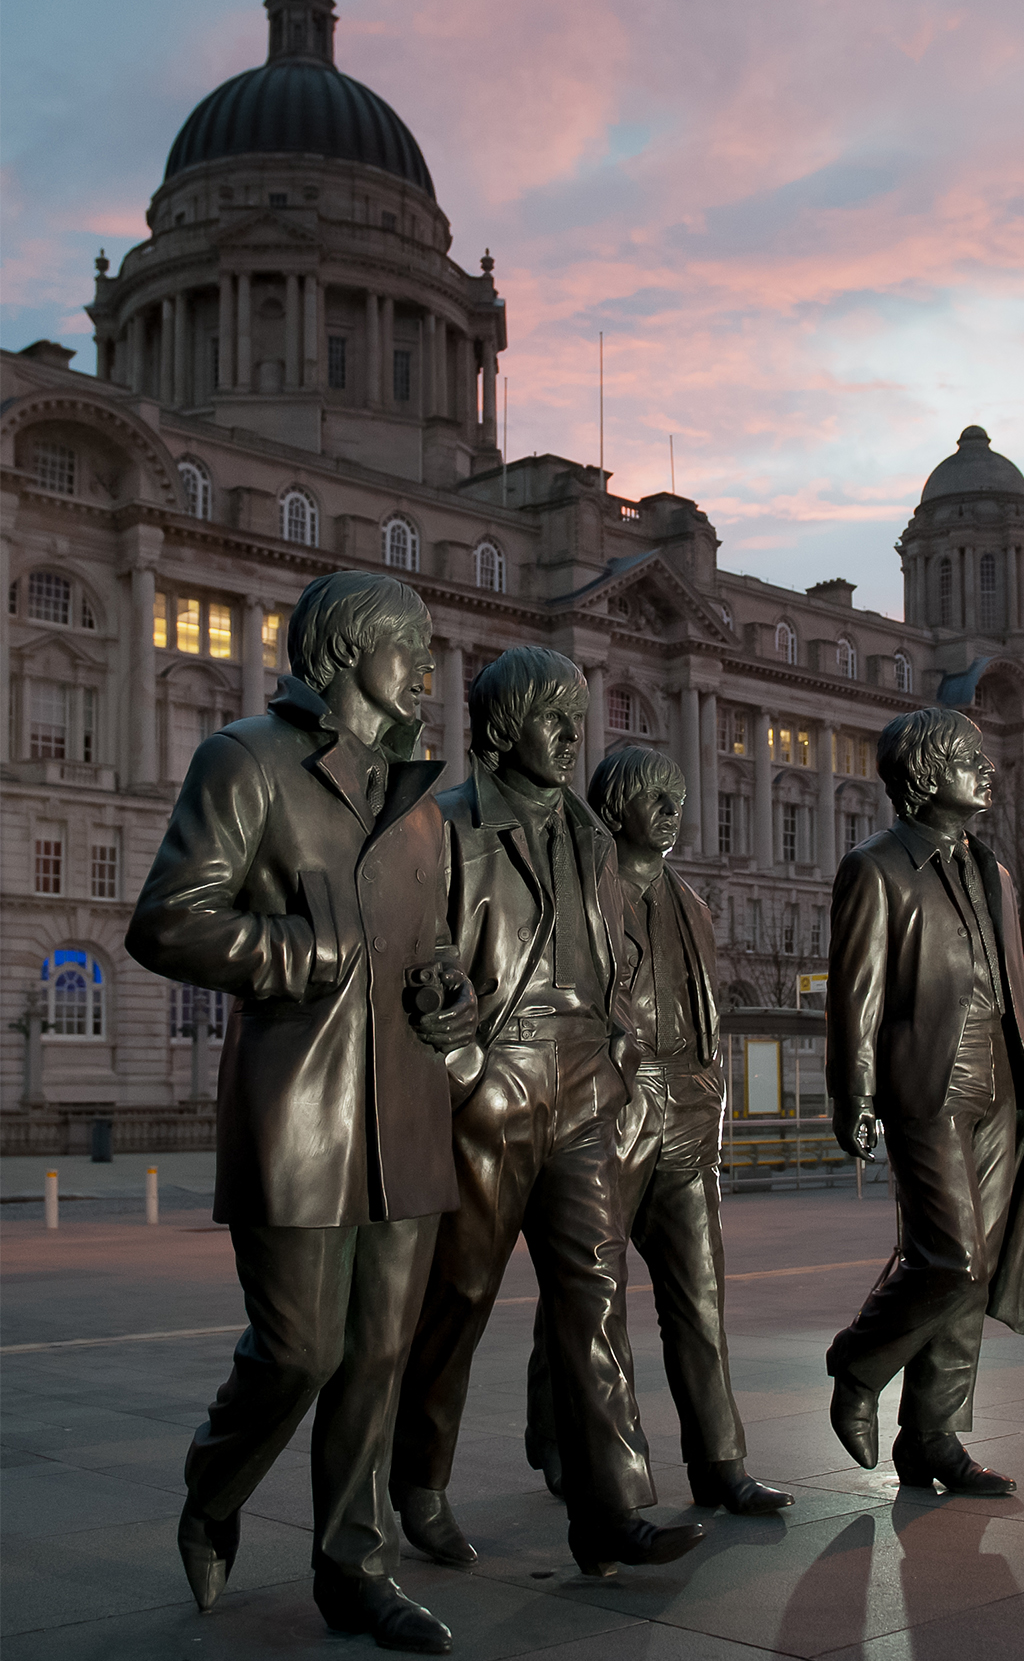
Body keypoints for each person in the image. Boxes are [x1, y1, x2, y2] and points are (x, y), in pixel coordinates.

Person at [126, 572, 477, 1653]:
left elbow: (434, 948)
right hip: (300, 1111)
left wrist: (450, 992)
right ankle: (214, 1480)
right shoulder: (246, 760)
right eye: (410, 643)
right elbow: (168, 921)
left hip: (407, 1113)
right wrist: (300, 953)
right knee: (298, 1351)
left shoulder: (423, 807)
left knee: (378, 1356)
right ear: (347, 650)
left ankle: (355, 1568)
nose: (428, 666)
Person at [389, 649, 705, 1577]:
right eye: (553, 718)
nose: (573, 736)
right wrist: (466, 1069)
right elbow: (417, 960)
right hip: (497, 1082)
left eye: (578, 717)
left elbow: (617, 962)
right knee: (460, 1296)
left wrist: (621, 1051)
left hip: (586, 1087)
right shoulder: (444, 824)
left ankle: (612, 1511)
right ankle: (419, 1483)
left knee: (596, 1296)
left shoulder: (593, 837)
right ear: (500, 727)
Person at [524, 746, 793, 1517]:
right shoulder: (578, 893)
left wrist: (708, 1096)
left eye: (678, 799)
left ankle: (720, 1462)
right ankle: (563, 1436)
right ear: (616, 809)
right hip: (612, 1109)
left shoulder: (696, 906)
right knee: (589, 1294)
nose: (674, 814)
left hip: (689, 1112)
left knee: (699, 1297)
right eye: (657, 799)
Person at [825, 707, 1024, 1495]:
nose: (986, 767)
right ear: (928, 773)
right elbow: (855, 995)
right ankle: (858, 1365)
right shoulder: (877, 867)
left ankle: (933, 1436)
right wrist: (853, 1093)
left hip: (1003, 1082)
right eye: (970, 756)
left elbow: (1017, 991)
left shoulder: (995, 873)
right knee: (951, 1256)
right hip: (927, 1083)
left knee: (981, 1266)